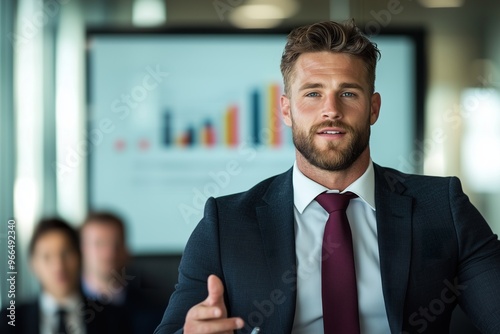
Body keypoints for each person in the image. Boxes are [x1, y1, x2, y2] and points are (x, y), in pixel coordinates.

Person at [154, 20, 500, 334]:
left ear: (373, 108)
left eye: (348, 93)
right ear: (286, 110)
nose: (331, 109)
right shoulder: (225, 223)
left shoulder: (443, 207)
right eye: (313, 93)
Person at [0, 218, 131, 334]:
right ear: (33, 265)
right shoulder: (10, 320)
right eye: (47, 257)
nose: (59, 266)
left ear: (80, 257)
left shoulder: (113, 317)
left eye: (66, 254)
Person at [80, 212, 163, 334]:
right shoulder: (61, 308)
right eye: (99, 244)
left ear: (127, 249)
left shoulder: (153, 308)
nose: (109, 254)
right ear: (81, 249)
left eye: (116, 244)